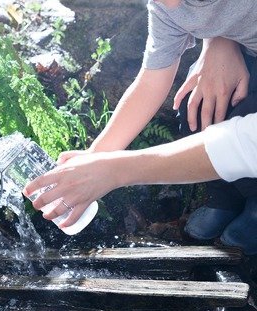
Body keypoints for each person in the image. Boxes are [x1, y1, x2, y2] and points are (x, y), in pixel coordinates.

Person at [23, 0, 257, 255]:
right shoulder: (166, 6)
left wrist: (115, 171)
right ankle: (224, 199)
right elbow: (150, 83)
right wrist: (96, 157)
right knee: (199, 102)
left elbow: (247, 141)